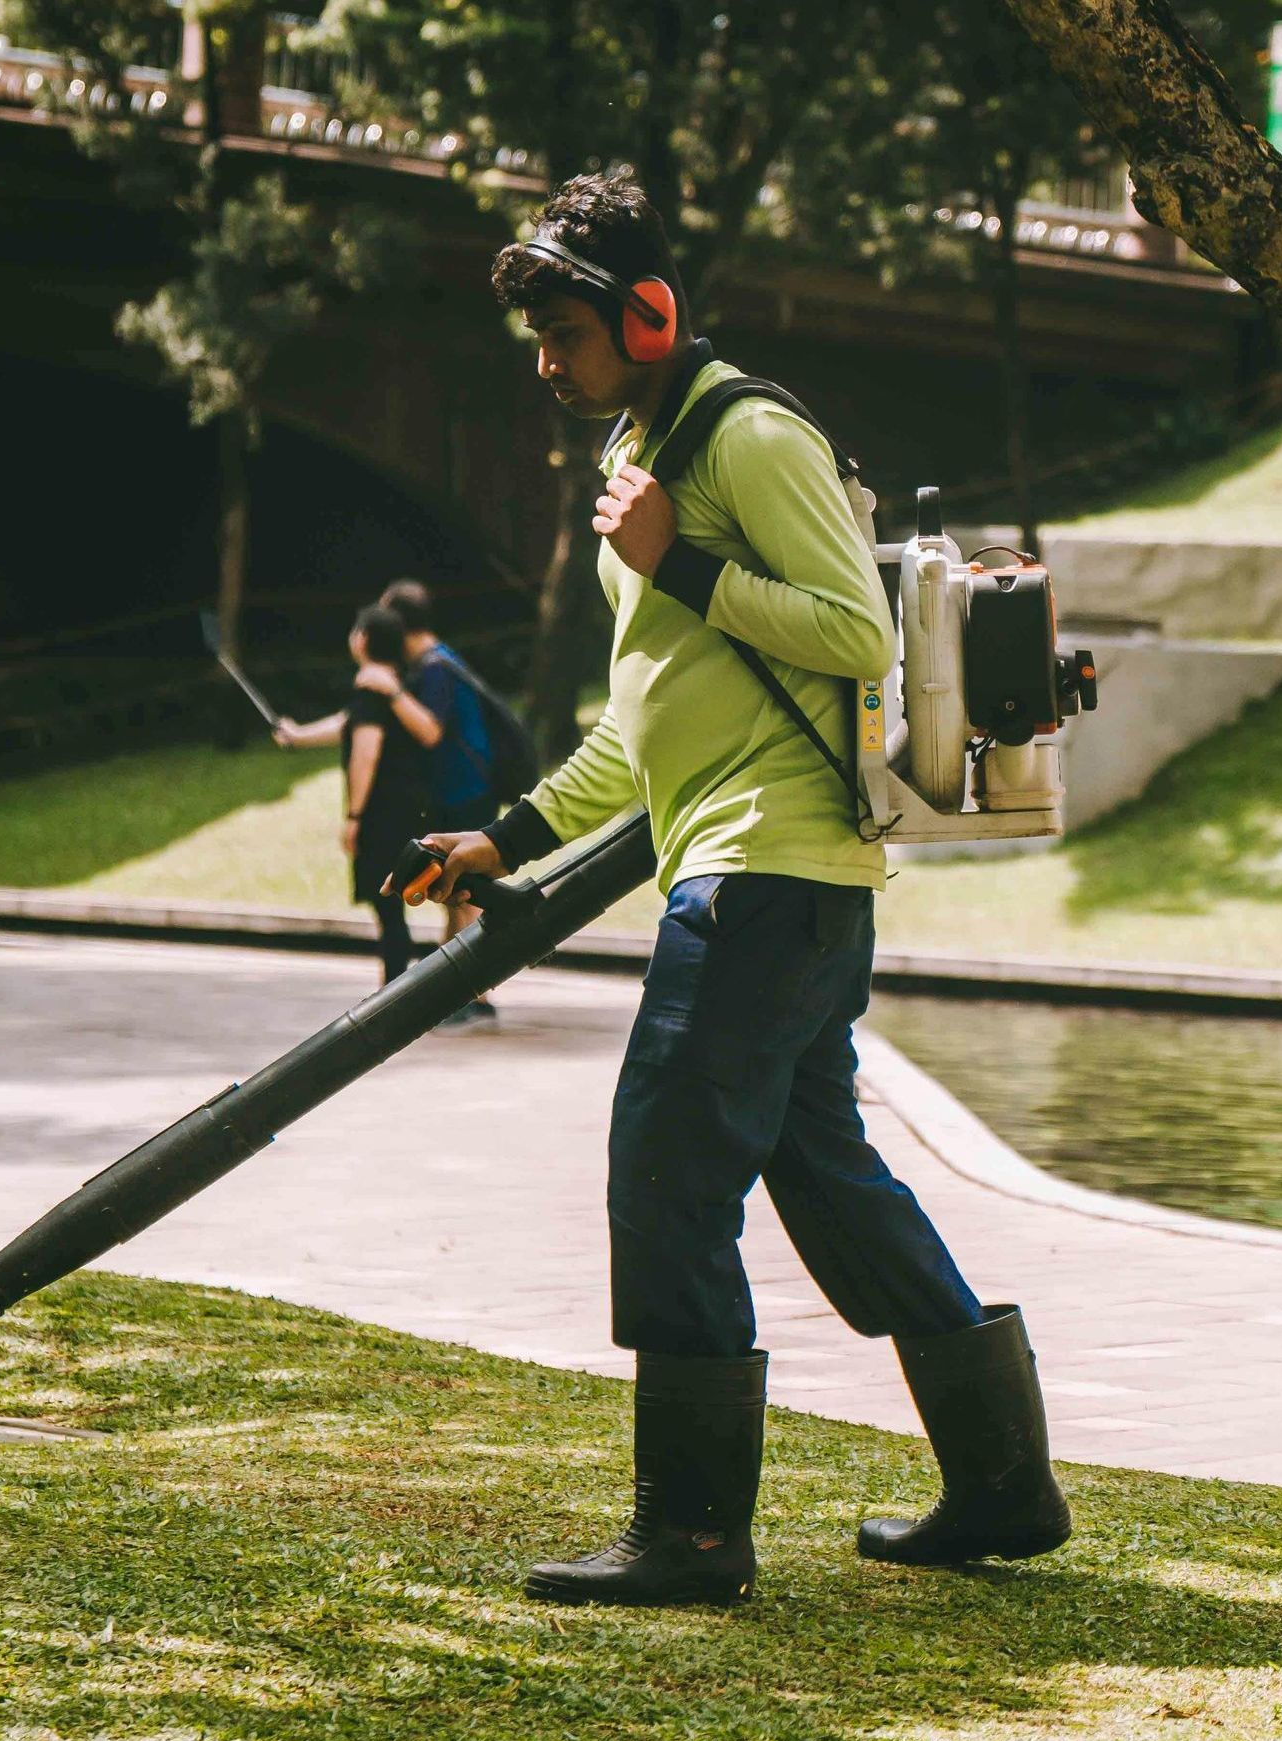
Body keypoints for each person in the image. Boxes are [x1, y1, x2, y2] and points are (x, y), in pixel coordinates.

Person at [409, 172, 1071, 1606]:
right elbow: (644, 718)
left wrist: (683, 561)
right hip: (773, 877)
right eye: (534, 330)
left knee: (664, 1163)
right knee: (825, 1177)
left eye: (565, 327)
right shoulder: (646, 455)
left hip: (766, 873)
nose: (545, 358)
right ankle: (1003, 1485)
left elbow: (852, 632)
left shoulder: (750, 435)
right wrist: (504, 835)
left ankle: (694, 1533)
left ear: (649, 314)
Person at [276, 606, 435, 984]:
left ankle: (393, 993)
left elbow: (366, 751)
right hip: (410, 809)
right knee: (392, 907)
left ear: (361, 640)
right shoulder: (391, 685)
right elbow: (348, 724)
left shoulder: (370, 691)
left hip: (384, 815)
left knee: (388, 908)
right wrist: (298, 736)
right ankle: (395, 989)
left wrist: (354, 817)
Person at [378, 578, 502, 1028]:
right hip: (464, 791)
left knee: (467, 898)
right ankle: (460, 992)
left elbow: (430, 731)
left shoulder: (434, 668)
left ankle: (477, 995)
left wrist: (390, 692)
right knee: (456, 897)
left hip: (466, 794)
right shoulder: (440, 661)